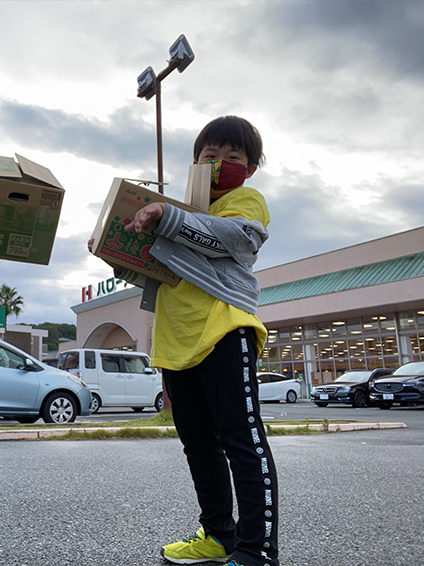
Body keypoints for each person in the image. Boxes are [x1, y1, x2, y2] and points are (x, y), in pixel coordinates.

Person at [92, 116, 278, 566]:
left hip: (223, 328)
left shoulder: (244, 201)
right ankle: (218, 535)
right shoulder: (176, 207)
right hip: (176, 342)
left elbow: (233, 240)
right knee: (198, 444)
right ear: (195, 162)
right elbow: (161, 270)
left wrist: (169, 218)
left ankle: (258, 551)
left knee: (242, 439)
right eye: (210, 157)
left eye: (233, 157)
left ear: (250, 167)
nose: (220, 165)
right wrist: (118, 251)